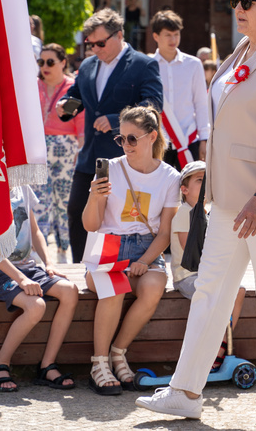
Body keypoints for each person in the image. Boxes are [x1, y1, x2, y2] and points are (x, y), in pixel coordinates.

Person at [136, 0, 256, 425]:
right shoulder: (243, 50)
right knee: (210, 291)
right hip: (230, 199)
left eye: (248, 1)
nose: (238, 6)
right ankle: (186, 389)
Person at [82, 105, 179, 395]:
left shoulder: (170, 177)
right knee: (115, 286)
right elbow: (91, 225)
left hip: (146, 249)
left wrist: (145, 261)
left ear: (152, 137)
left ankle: (118, 352)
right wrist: (93, 197)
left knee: (153, 287)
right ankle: (98, 363)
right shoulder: (110, 168)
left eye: (132, 139)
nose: (125, 145)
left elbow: (165, 234)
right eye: (121, 139)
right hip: (108, 244)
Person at [57, 9, 163, 263]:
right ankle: (81, 269)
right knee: (77, 212)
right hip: (91, 157)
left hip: (125, 157)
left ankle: (119, 270)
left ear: (119, 35)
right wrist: (65, 105)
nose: (95, 49)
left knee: (117, 219)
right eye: (90, 44)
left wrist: (117, 121)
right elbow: (77, 96)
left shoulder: (142, 64)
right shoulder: (87, 65)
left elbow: (153, 105)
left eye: (100, 43)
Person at [0, 186, 78, 392]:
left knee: (70, 291)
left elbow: (34, 231)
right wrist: (22, 279)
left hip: (28, 268)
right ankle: (0, 363)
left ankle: (47, 365)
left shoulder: (22, 188)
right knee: (36, 306)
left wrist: (49, 263)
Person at [170, 161, 246, 370]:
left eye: (208, 181)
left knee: (238, 290)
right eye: (200, 180)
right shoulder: (185, 213)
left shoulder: (209, 214)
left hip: (207, 274)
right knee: (218, 293)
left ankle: (220, 344)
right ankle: (211, 348)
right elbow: (192, 252)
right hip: (188, 276)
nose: (205, 185)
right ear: (184, 190)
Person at [36, 43, 84, 256]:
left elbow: (80, 122)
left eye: (50, 62)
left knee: (64, 200)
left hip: (66, 148)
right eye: (41, 62)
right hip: (37, 148)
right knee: (39, 198)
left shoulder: (72, 88)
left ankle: (65, 246)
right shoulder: (33, 86)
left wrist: (81, 151)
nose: (45, 66)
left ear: (63, 63)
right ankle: (40, 249)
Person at [150, 10, 210, 171]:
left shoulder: (194, 64)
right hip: (157, 141)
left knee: (192, 192)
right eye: (168, 35)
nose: (173, 39)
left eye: (176, 34)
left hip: (189, 138)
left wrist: (204, 138)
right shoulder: (147, 65)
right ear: (156, 36)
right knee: (160, 193)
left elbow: (201, 103)